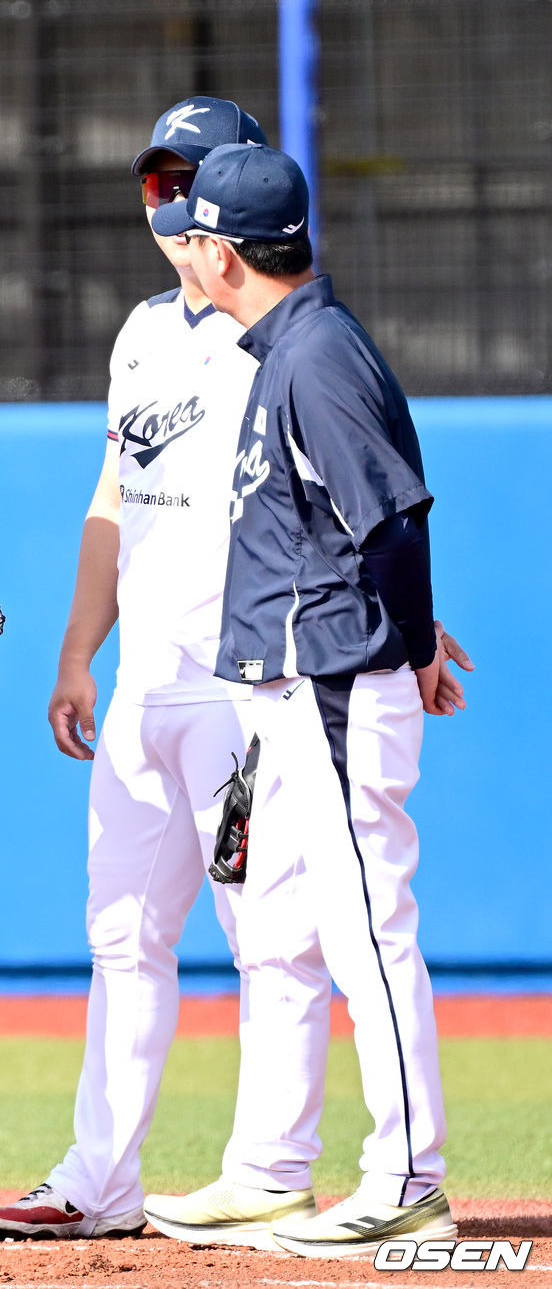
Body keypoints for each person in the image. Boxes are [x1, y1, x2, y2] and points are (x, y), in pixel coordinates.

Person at [0, 101, 472, 1248]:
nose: (169, 205)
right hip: (162, 677)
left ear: (233, 219)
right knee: (121, 932)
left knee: (281, 937)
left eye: (189, 184)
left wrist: (407, 628)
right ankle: (99, 1176)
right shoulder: (152, 332)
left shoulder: (291, 340)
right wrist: (77, 649)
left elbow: (369, 507)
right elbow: (117, 496)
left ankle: (274, 1166)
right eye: (156, 179)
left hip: (259, 683)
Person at [143, 143, 466, 1258]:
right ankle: (270, 1173)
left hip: (332, 684)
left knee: (368, 926)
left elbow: (395, 523)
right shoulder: (286, 346)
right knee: (281, 929)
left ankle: (408, 1175)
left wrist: (412, 647)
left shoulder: (317, 355)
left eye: (195, 235)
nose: (185, 250)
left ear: (226, 254)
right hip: (288, 687)